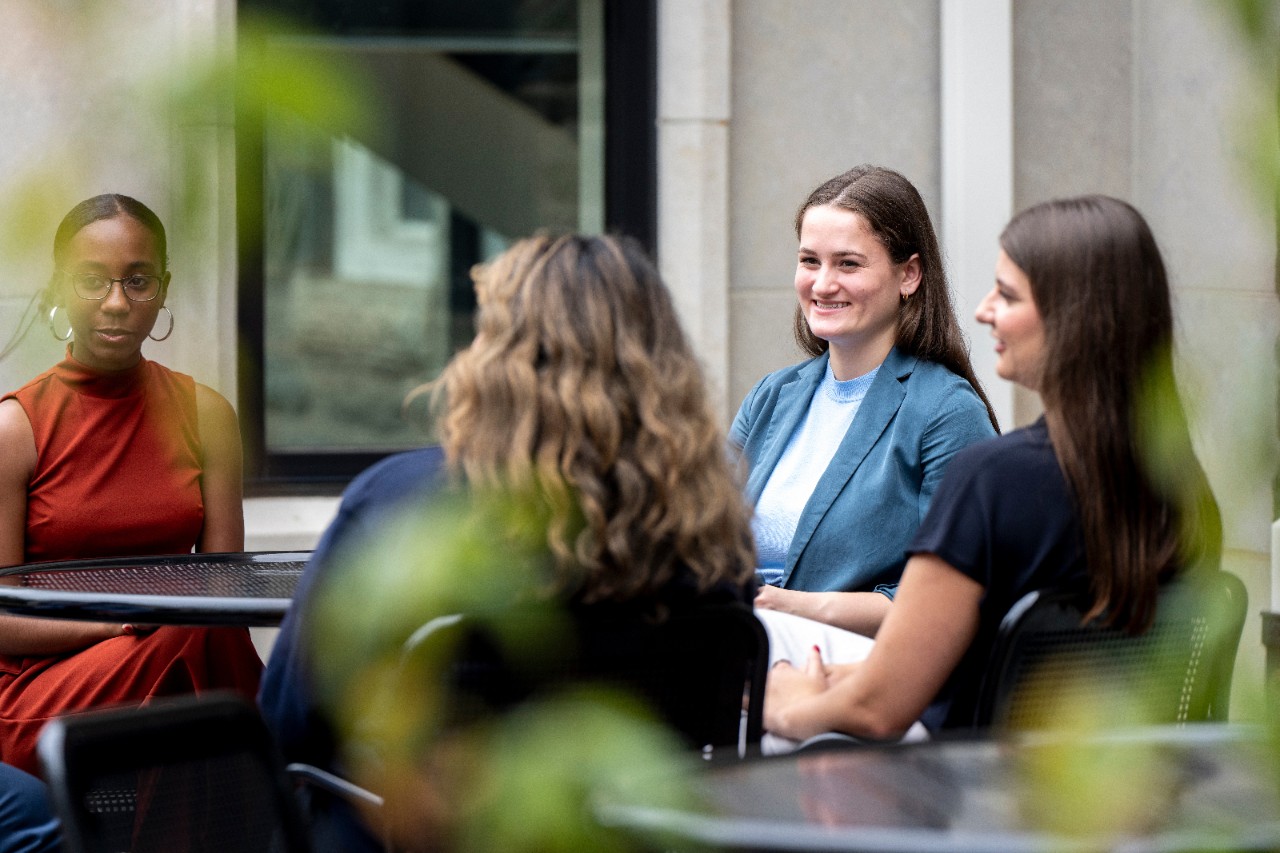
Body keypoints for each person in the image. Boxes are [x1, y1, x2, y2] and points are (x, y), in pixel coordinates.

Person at [260, 233, 758, 851]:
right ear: (666, 365)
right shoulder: (706, 531)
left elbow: (288, 720)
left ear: (492, 355)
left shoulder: (396, 505)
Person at [763, 195, 1222, 742]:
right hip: (1096, 795)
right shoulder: (1185, 490)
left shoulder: (992, 482)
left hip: (955, 793)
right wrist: (841, 676)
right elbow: (1002, 666)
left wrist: (789, 704)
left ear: (1073, 318)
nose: (983, 310)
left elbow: (878, 711)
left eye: (1006, 294)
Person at [0, 194, 264, 774]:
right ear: (61, 287)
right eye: (92, 281)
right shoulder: (15, 427)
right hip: (38, 695)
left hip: (176, 663)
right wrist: (118, 622)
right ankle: (288, 773)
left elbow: (227, 594)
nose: (117, 303)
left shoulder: (206, 415)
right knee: (197, 642)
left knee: (204, 640)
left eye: (137, 281)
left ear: (163, 288)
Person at [731, 165, 998, 640]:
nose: (822, 284)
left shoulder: (947, 413)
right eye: (810, 260)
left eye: (848, 264)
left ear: (909, 275)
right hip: (743, 666)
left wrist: (798, 607)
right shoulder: (771, 396)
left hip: (858, 684)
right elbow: (702, 534)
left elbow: (960, 598)